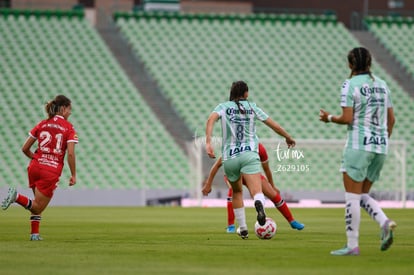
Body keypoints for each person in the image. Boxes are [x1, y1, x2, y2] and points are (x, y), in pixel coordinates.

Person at [319, 47, 396, 256]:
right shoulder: (382, 85)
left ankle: (352, 245)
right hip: (380, 146)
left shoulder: (350, 84)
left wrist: (328, 118)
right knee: (362, 195)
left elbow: (347, 118)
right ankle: (384, 222)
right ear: (370, 63)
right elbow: (392, 120)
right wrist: (380, 140)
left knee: (352, 196)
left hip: (358, 146)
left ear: (350, 65)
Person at [205, 80, 295, 239]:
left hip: (230, 156)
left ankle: (243, 228)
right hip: (249, 154)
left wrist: (208, 142)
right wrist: (287, 137)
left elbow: (210, 120)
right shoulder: (252, 107)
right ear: (246, 94)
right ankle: (259, 205)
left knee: (237, 192)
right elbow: (274, 125)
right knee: (257, 191)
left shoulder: (223, 107)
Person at [1, 95, 78, 241]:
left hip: (35, 167)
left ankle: (34, 234)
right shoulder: (69, 128)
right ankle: (16, 197)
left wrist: (38, 159)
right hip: (50, 170)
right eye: (69, 109)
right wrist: (73, 174)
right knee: (38, 206)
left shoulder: (42, 124)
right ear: (63, 109)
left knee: (37, 202)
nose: (70, 112)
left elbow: (24, 148)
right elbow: (71, 154)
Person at [202, 143, 305, 233]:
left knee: (273, 194)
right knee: (234, 192)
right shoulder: (235, 147)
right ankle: (231, 225)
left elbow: (266, 169)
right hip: (234, 173)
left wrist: (272, 185)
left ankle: (292, 221)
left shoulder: (260, 148)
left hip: (251, 173)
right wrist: (208, 184)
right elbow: (217, 165)